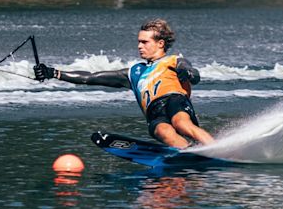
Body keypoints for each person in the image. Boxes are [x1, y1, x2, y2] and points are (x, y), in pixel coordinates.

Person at [33, 19, 214, 148]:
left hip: (175, 101)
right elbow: (90, 77)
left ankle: (216, 148)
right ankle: (189, 152)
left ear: (160, 43)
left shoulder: (174, 61)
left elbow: (193, 75)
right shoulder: (133, 72)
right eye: (138, 42)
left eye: (144, 42)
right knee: (162, 132)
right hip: (154, 111)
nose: (139, 46)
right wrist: (54, 73)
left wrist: (190, 73)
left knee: (181, 123)